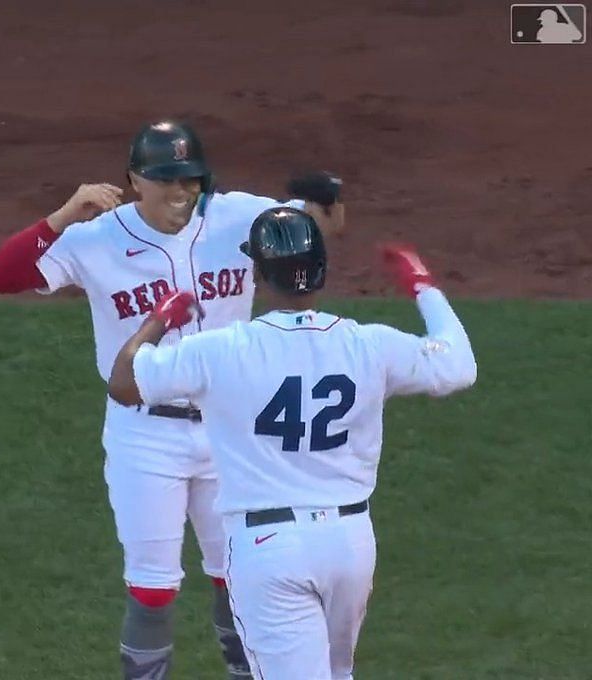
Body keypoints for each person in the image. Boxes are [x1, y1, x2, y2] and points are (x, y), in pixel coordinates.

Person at [0, 120, 343, 679]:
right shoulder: (95, 237)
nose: (181, 193)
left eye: (191, 180)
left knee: (239, 572)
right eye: (167, 181)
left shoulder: (239, 215)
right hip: (144, 433)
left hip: (229, 429)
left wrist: (325, 200)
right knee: (151, 586)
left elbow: (313, 224)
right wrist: (60, 218)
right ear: (135, 180)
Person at [108, 207, 477, 680]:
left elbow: (124, 383)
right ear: (322, 270)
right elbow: (459, 366)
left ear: (259, 273)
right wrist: (423, 286)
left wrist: (159, 320)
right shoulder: (370, 344)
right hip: (350, 544)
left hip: (269, 548)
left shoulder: (220, 350)